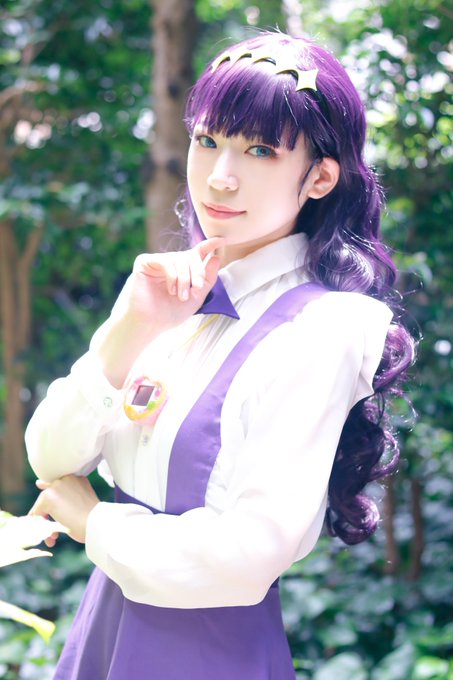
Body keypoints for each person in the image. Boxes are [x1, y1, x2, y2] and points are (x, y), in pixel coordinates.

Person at [26, 30, 414, 680]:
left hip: (204, 654)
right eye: (207, 140)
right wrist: (131, 327)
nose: (219, 176)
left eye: (260, 150)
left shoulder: (325, 328)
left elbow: (248, 554)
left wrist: (95, 521)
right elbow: (50, 459)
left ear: (320, 177)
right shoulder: (170, 295)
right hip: (105, 626)